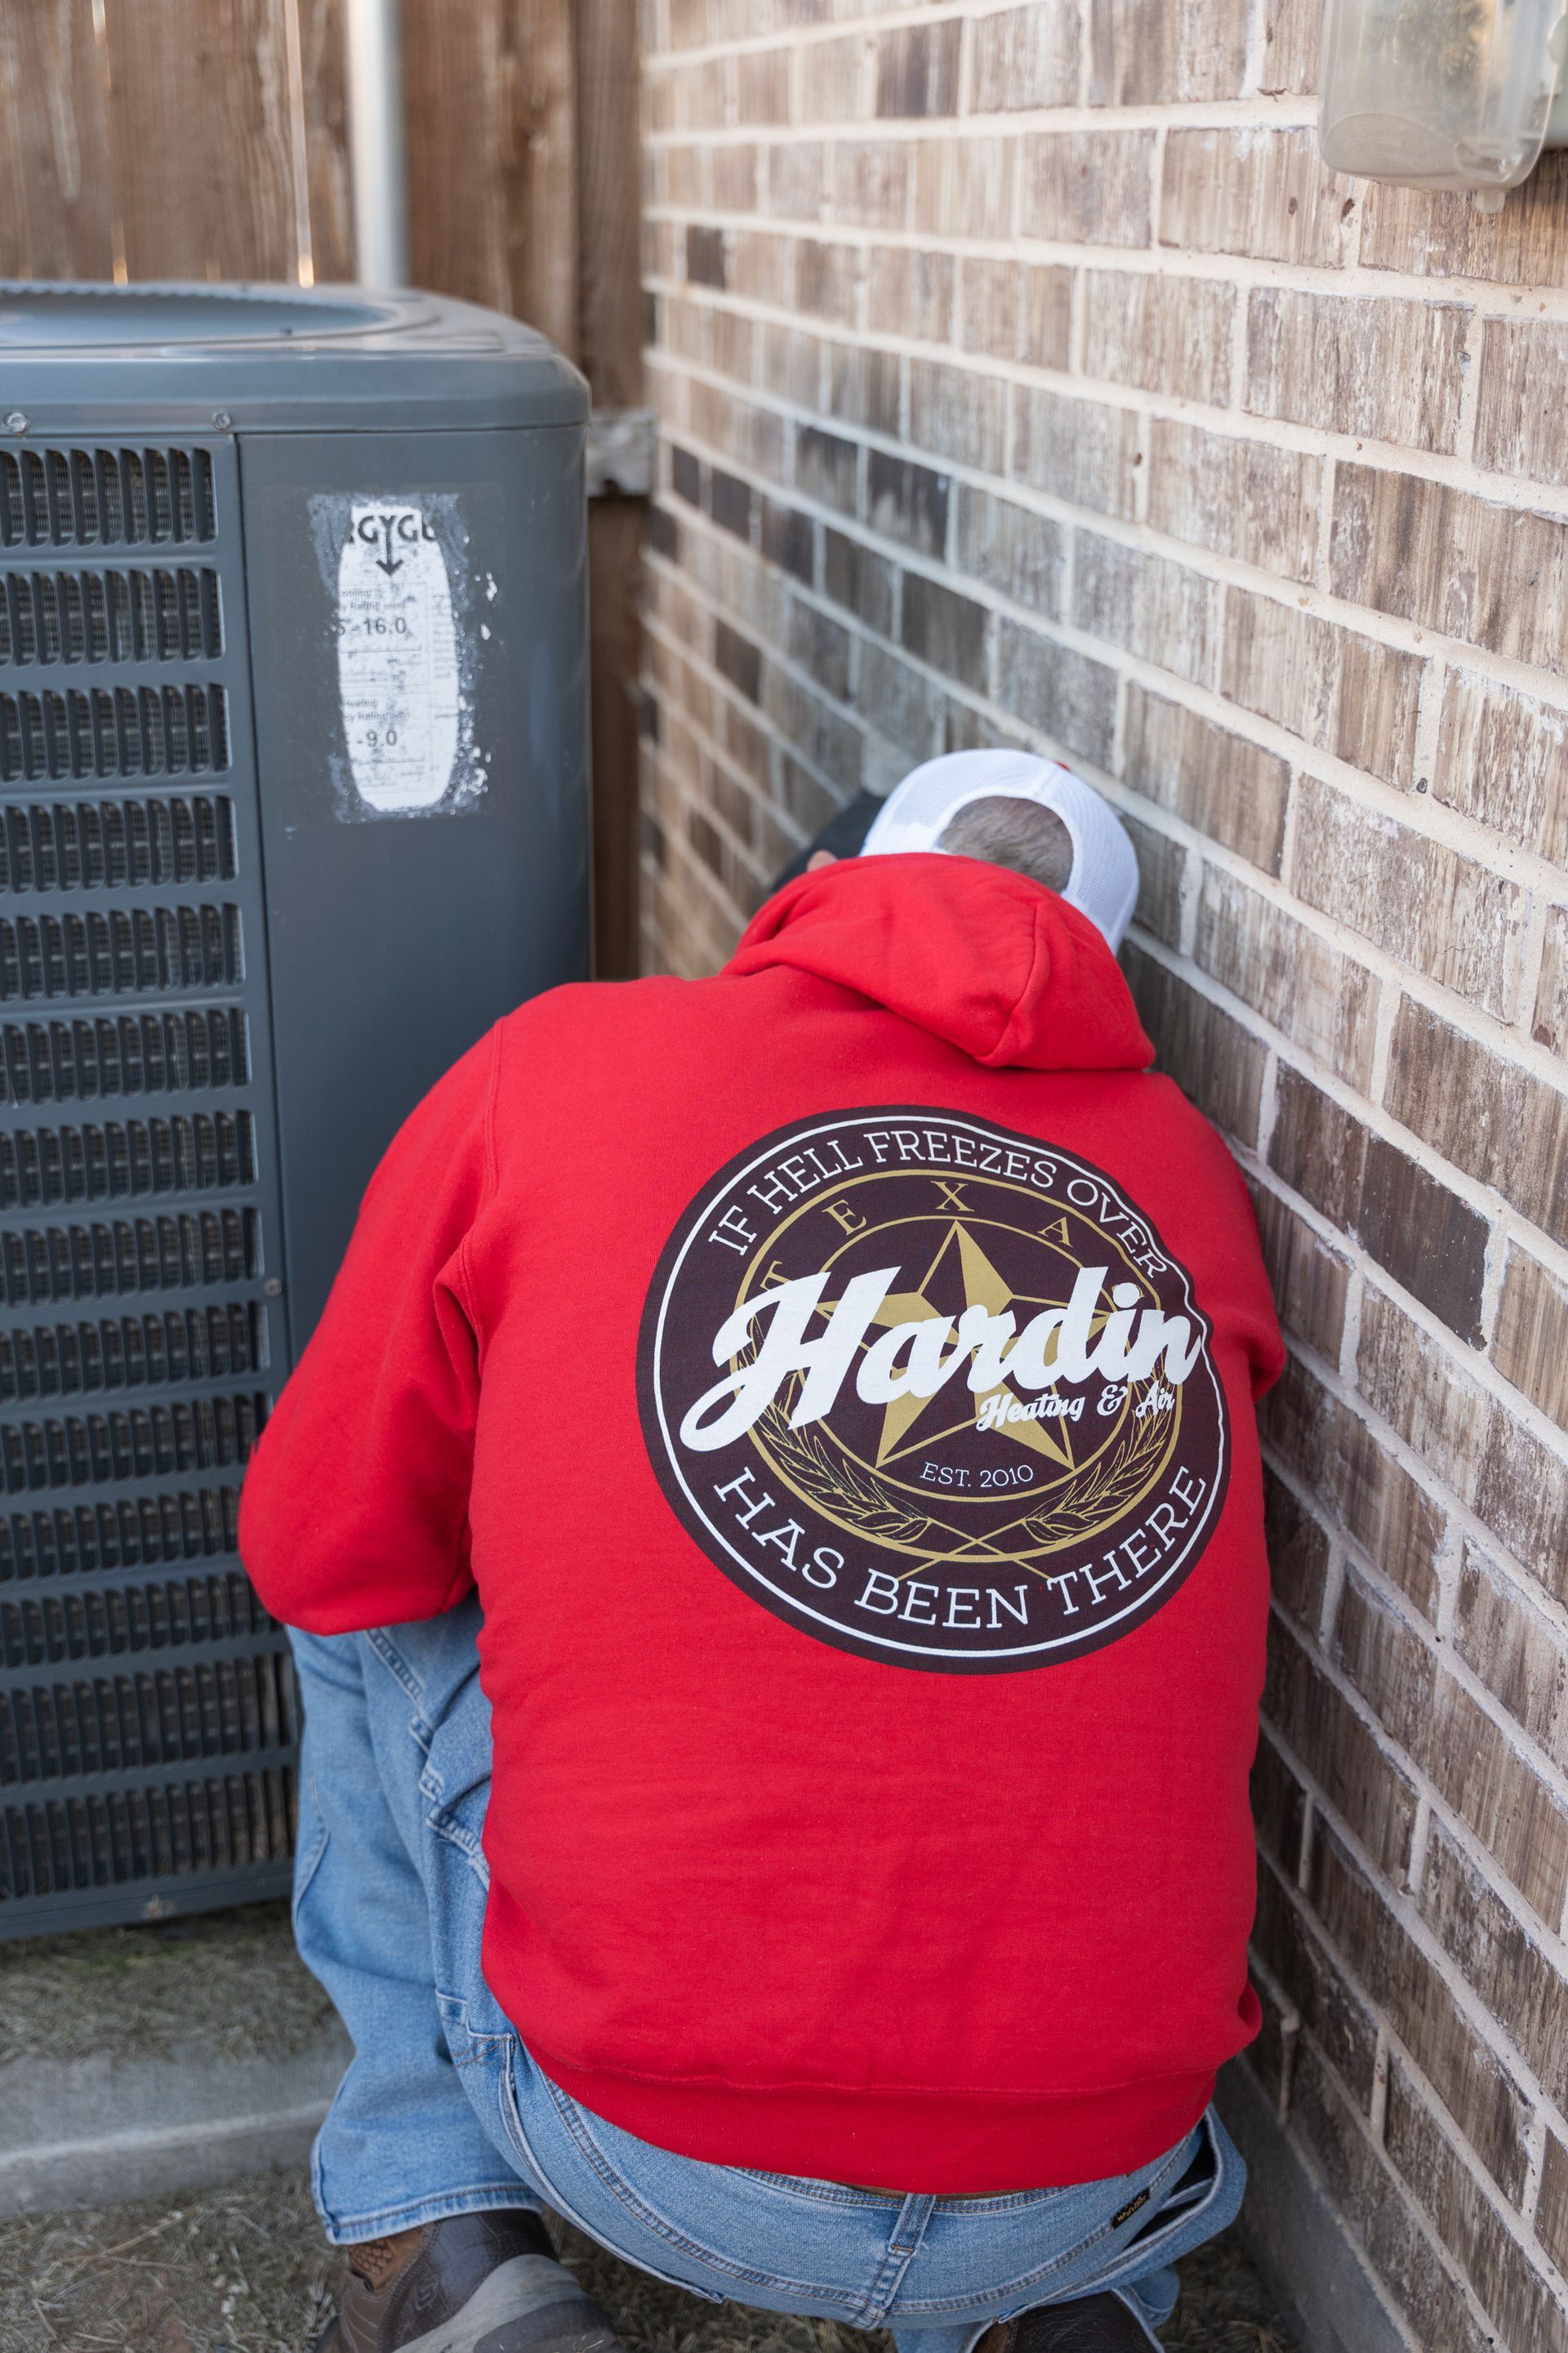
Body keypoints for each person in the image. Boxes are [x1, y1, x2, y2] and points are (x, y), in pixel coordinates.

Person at [240, 748, 1285, 2353]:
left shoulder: (565, 1061)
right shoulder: (1188, 1174)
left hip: (639, 2145)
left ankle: (434, 2229)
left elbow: (320, 1545)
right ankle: (1059, 2311)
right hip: (1097, 2165)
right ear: (1099, 963)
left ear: (827, 884)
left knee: (363, 1595)